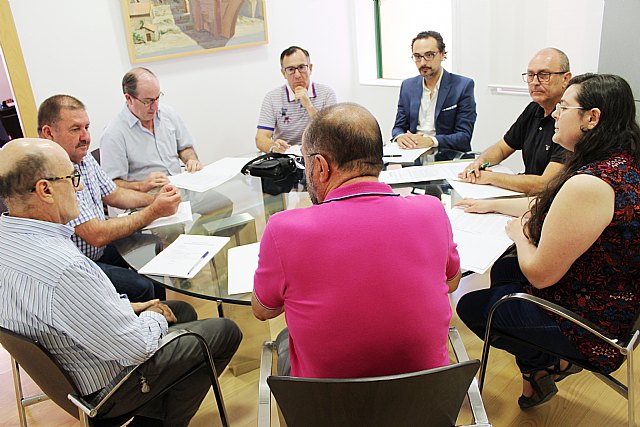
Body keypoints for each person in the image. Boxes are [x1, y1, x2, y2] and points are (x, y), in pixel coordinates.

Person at [0, 138, 242, 426]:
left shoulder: (8, 242)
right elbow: (137, 347)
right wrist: (153, 315)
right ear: (46, 190)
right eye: (72, 179)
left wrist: (129, 308)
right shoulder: (65, 267)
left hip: (68, 375)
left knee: (181, 311)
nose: (79, 188)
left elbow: (67, 313)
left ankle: (157, 414)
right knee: (225, 331)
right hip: (106, 389)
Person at [456, 74, 640, 409]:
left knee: (473, 307)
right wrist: (492, 204)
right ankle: (537, 371)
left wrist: (520, 234)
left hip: (595, 328)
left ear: (591, 118)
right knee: (506, 269)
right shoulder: (617, 163)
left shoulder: (591, 183)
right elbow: (553, 208)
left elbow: (541, 275)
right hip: (610, 298)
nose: (555, 114)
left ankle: (551, 364)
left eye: (564, 108)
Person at [252, 103, 462, 378]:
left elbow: (263, 309)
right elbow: (451, 281)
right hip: (428, 395)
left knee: (284, 339)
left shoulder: (283, 230)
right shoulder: (432, 211)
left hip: (327, 400)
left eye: (305, 162)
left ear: (320, 166)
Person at [38, 94, 180, 301]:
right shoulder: (50, 173)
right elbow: (95, 235)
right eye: (75, 129)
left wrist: (156, 199)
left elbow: (114, 194)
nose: (86, 137)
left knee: (153, 247)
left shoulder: (82, 157)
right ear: (49, 133)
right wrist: (155, 210)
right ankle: (145, 319)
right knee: (141, 287)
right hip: (78, 265)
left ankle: (162, 311)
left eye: (87, 127)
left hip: (97, 249)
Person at [458, 48, 571, 196]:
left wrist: (490, 177)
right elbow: (502, 148)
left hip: (551, 201)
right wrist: (479, 162)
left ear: (565, 79)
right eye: (530, 75)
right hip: (528, 197)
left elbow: (544, 185)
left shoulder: (570, 119)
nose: (534, 82)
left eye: (544, 75)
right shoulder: (534, 109)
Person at [101, 67, 203, 192]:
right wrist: (141, 185)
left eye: (157, 98)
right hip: (146, 195)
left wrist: (191, 160)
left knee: (221, 202)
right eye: (147, 101)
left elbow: (185, 148)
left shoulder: (168, 114)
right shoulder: (113, 134)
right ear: (129, 98)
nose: (154, 107)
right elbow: (111, 184)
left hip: (181, 186)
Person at [392, 30, 477, 153]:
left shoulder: (462, 86)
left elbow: (464, 137)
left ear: (442, 54)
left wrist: (431, 141)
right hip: (412, 152)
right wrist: (400, 137)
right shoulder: (408, 86)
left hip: (446, 154)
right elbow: (398, 127)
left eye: (429, 55)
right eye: (417, 56)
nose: (423, 62)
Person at [255, 46, 337, 154]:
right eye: (291, 70)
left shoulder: (327, 94)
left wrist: (309, 106)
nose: (297, 75)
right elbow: (261, 138)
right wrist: (274, 147)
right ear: (283, 73)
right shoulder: (272, 98)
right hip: (286, 155)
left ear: (310, 68)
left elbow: (331, 134)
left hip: (318, 153)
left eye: (302, 67)